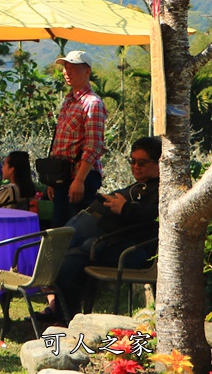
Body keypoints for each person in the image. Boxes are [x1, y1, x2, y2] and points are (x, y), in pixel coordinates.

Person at [45, 136, 161, 322]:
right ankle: (63, 315)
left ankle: (67, 319)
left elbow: (155, 219)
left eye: (142, 162)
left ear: (159, 163)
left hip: (125, 248)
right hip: (104, 238)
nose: (135, 167)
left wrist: (124, 209)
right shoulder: (143, 185)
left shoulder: (164, 189)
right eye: (132, 161)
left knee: (61, 260)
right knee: (60, 258)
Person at [49, 50, 106, 227]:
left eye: (73, 68)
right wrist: (52, 179)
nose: (67, 72)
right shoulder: (68, 101)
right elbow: (59, 143)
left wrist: (79, 180)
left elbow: (94, 146)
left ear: (87, 71)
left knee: (73, 232)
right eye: (65, 67)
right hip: (62, 177)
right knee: (58, 230)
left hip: (80, 178)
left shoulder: (92, 103)